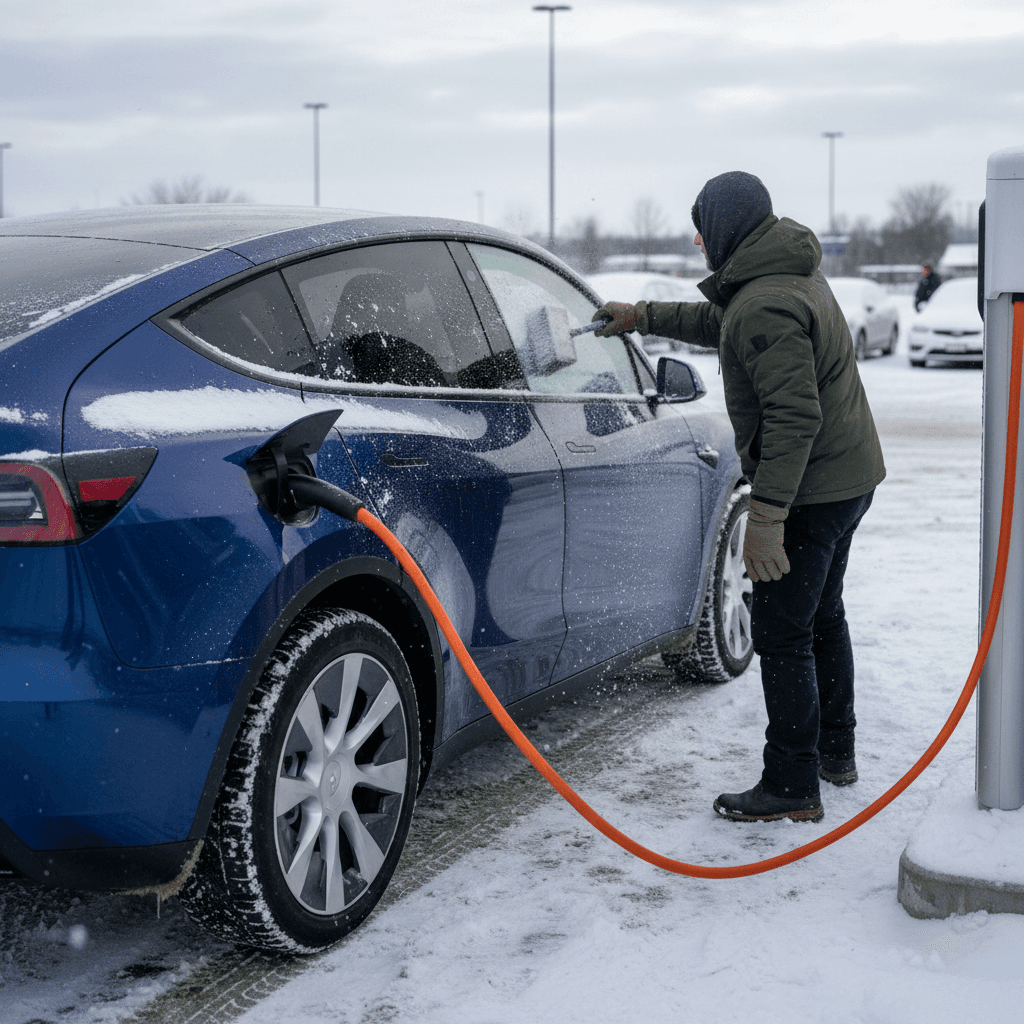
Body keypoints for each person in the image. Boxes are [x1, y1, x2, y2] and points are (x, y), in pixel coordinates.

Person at [594, 171, 885, 824]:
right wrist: (641, 316)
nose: (698, 241)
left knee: (781, 633)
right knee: (822, 615)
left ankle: (791, 782)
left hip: (811, 491)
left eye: (702, 228)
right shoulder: (781, 272)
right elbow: (720, 320)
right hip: (849, 478)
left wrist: (768, 519)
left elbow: (793, 417)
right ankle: (834, 752)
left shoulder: (765, 301)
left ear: (724, 227)